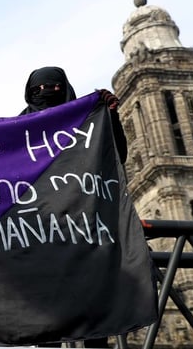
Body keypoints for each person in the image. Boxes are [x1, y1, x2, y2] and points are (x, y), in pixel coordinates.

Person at [19, 66, 126, 349]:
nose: (45, 94)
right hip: (39, 235)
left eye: (53, 88)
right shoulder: (16, 130)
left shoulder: (89, 121)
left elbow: (117, 155)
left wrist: (110, 117)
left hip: (85, 232)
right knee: (47, 319)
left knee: (92, 313)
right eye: (38, 90)